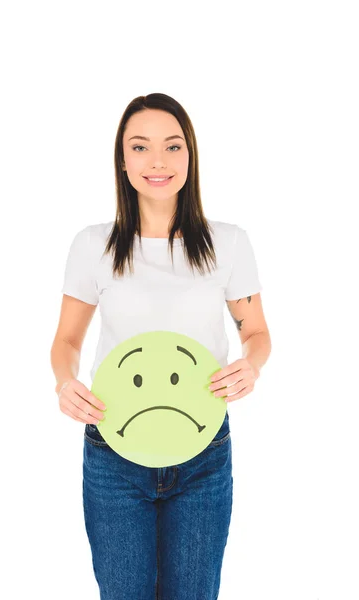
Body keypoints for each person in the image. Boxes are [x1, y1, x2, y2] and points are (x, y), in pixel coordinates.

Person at [50, 92, 271, 600]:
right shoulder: (93, 246)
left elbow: (256, 333)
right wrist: (65, 382)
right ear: (122, 160)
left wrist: (250, 366)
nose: (158, 161)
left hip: (203, 450)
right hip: (114, 452)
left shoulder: (228, 243)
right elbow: (65, 340)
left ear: (190, 157)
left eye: (173, 147)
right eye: (141, 147)